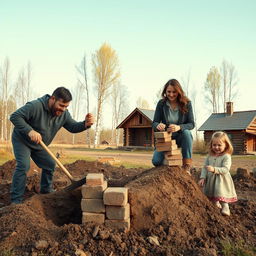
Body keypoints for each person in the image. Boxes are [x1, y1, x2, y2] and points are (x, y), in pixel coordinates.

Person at [9, 87, 94, 204]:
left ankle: (45, 190)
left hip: (39, 144)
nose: (63, 109)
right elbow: (14, 116)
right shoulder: (35, 106)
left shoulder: (63, 114)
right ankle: (16, 201)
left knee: (50, 163)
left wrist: (85, 124)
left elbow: (72, 127)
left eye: (66, 107)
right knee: (23, 165)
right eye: (61, 105)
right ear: (53, 99)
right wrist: (29, 130)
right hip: (22, 140)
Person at [152, 78, 195, 172]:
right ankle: (168, 160)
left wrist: (179, 127)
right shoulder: (161, 104)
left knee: (187, 133)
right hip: (166, 138)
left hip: (181, 137)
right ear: (165, 91)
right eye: (169, 91)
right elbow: (154, 122)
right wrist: (157, 126)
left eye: (174, 92)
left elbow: (191, 124)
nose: (171, 94)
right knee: (156, 161)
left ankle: (187, 165)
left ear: (179, 91)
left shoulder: (187, 103)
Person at [198, 131, 237, 216]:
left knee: (220, 192)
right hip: (211, 179)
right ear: (211, 145)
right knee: (212, 193)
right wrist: (203, 177)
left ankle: (225, 207)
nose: (216, 147)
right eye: (214, 145)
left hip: (221, 180)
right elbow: (205, 167)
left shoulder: (226, 156)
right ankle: (215, 204)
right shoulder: (209, 156)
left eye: (219, 145)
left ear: (226, 145)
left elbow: (225, 169)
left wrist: (214, 169)